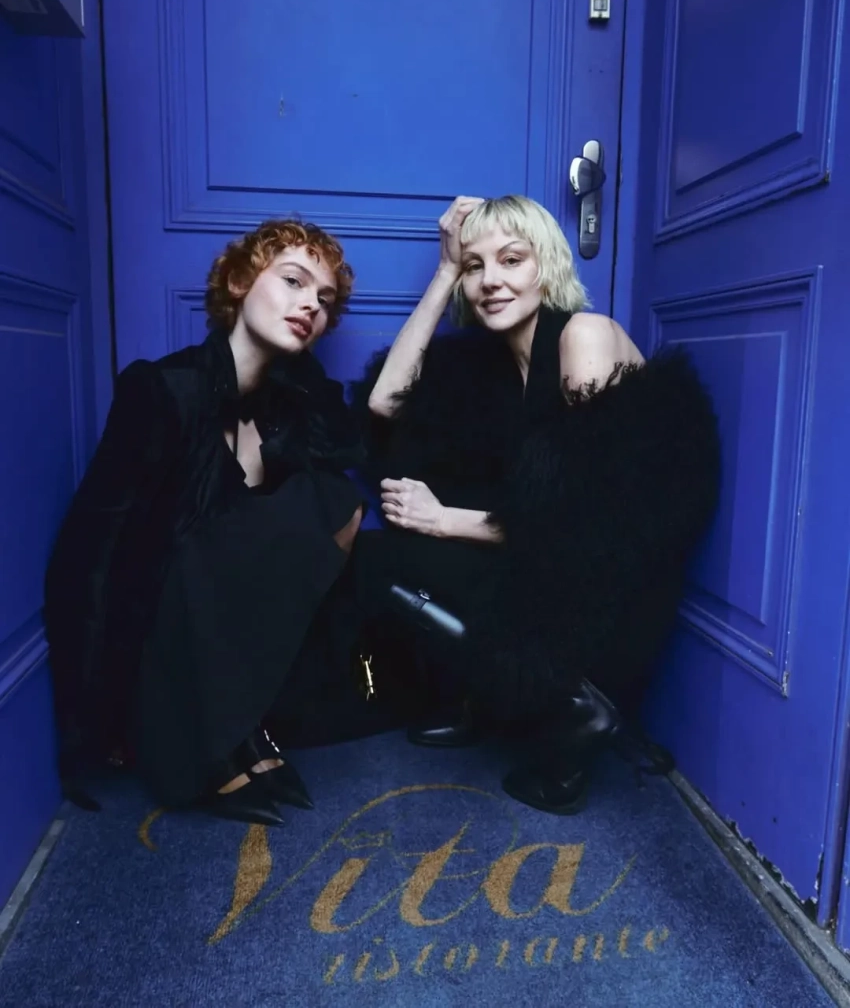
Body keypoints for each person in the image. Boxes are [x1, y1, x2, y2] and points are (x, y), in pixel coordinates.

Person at [352, 195, 721, 816]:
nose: (490, 280)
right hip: (549, 572)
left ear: (546, 267)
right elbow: (385, 402)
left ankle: (574, 704)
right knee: (377, 557)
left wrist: (443, 519)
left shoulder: (583, 337)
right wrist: (444, 271)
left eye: (512, 259)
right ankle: (487, 697)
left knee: (427, 537)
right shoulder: (494, 365)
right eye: (475, 266)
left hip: (610, 603)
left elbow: (588, 525)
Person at [44, 219, 365, 827]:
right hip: (162, 622)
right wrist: (89, 716)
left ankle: (243, 722)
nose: (310, 306)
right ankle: (200, 738)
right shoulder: (163, 389)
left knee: (332, 499)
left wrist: (302, 382)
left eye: (324, 301)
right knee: (205, 542)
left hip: (227, 621)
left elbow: (349, 454)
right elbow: (94, 548)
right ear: (240, 282)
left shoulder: (288, 403)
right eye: (293, 281)